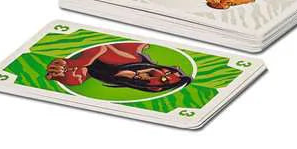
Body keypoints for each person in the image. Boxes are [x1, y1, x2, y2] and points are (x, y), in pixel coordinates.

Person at [45, 40, 191, 93]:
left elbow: (89, 71)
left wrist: (61, 75)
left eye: (164, 80)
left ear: (156, 88)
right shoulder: (132, 57)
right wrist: (76, 63)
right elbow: (100, 48)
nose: (158, 73)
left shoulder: (121, 76)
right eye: (167, 71)